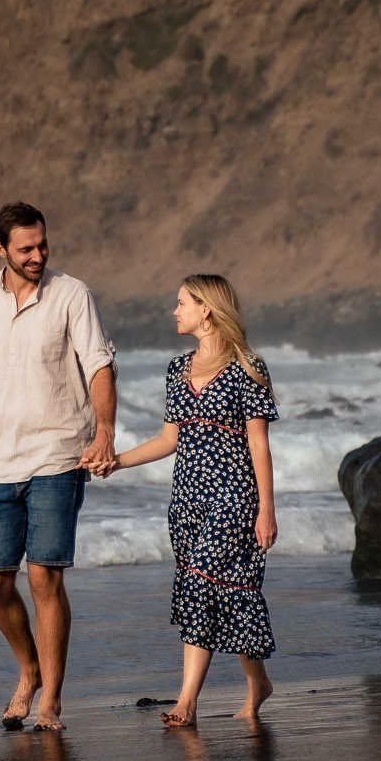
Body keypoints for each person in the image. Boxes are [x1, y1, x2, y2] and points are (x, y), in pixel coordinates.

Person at [0, 202, 118, 732]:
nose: (38, 256)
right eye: (26, 249)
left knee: (44, 575)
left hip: (61, 452)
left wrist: (104, 431)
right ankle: (28, 667)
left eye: (42, 246)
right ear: (1, 250)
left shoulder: (71, 294)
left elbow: (100, 365)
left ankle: (50, 700)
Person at [110, 274, 279, 724]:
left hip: (234, 495)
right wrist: (118, 461)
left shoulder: (249, 367)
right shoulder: (175, 369)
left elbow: (259, 446)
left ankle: (187, 701)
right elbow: (169, 439)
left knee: (200, 583)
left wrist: (266, 510)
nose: (175, 310)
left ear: (206, 308)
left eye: (182, 302)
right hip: (186, 499)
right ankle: (257, 682)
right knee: (223, 590)